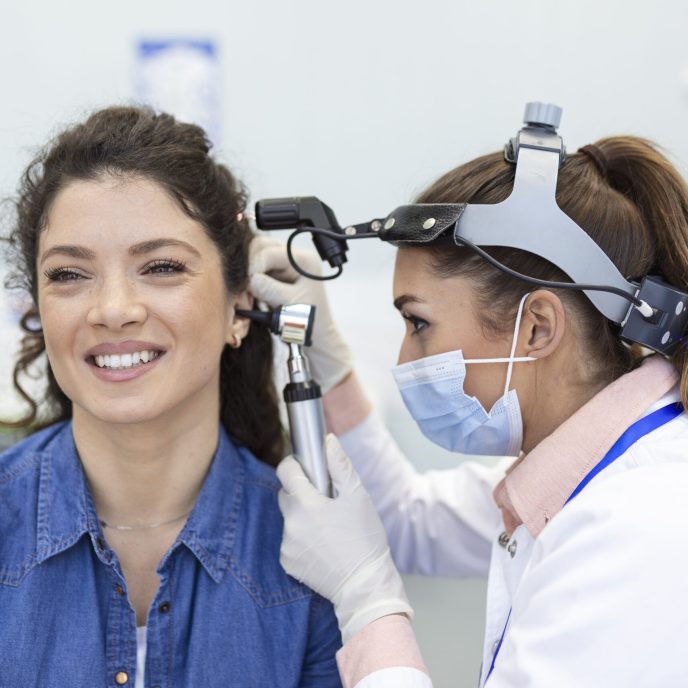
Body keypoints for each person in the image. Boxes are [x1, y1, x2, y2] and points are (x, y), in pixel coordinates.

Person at [250, 133, 688, 686]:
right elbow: (407, 521)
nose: (405, 358)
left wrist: (367, 598)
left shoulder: (635, 526)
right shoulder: (581, 471)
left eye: (419, 324)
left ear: (537, 328)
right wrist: (330, 363)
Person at [0, 106, 342, 687]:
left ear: (239, 307)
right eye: (69, 275)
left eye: (160, 266)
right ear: (38, 310)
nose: (113, 310)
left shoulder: (314, 554)